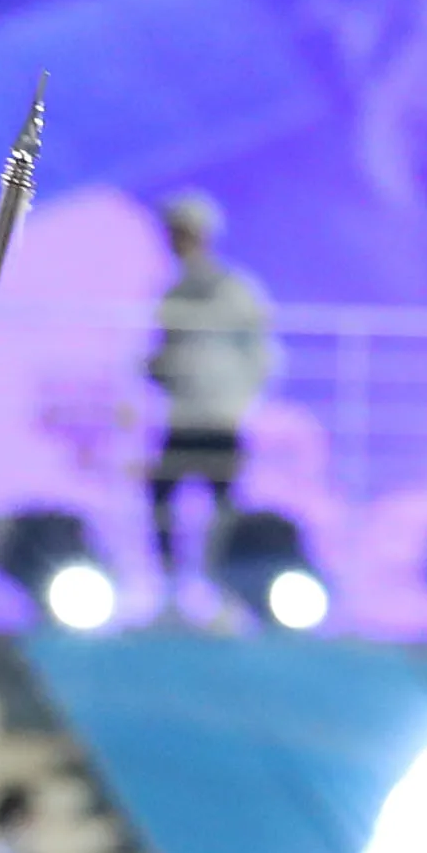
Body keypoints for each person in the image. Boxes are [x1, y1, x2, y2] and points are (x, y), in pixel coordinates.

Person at [145, 192, 277, 595]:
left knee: (225, 505)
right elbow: (167, 354)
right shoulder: (171, 291)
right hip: (181, 416)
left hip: (220, 418)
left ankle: (224, 584)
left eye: (182, 233)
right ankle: (171, 583)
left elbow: (259, 352)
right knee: (161, 495)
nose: (175, 240)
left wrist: (237, 401)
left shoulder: (233, 289)